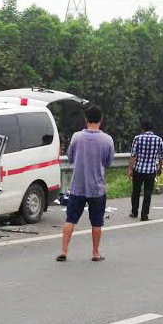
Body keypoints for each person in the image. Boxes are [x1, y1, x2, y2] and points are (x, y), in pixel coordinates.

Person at [57, 104, 115, 262]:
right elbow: (108, 161)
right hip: (97, 187)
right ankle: (95, 253)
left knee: (70, 219)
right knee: (97, 222)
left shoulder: (76, 137)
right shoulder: (107, 139)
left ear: (85, 119)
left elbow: (70, 156)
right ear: (101, 120)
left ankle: (63, 251)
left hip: (77, 186)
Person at [127, 121, 163, 221]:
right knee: (148, 193)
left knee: (136, 191)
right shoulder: (158, 139)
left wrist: (130, 169)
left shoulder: (137, 138)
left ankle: (134, 211)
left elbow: (133, 155)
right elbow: (161, 156)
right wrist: (160, 168)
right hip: (151, 170)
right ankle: (144, 215)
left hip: (138, 169)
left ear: (143, 129)